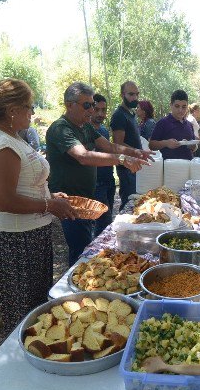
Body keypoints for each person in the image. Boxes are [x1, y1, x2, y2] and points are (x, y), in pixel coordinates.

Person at [0, 78, 77, 331]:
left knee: (37, 310)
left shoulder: (11, 138)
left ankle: (36, 354)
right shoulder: (0, 144)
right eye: (29, 107)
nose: (32, 112)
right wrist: (49, 205)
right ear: (12, 111)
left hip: (30, 234)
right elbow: (3, 199)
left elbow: (24, 185)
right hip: (15, 240)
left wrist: (49, 195)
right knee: (23, 315)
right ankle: (20, 361)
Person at [47, 82, 151, 267]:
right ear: (69, 105)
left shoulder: (84, 127)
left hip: (87, 197)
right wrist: (122, 160)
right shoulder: (61, 128)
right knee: (80, 250)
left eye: (92, 105)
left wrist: (135, 152)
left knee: (88, 244)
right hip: (69, 201)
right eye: (86, 105)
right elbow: (83, 157)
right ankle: (75, 289)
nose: (91, 110)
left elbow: (109, 146)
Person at [111, 81, 144, 209]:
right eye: (131, 94)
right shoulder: (119, 115)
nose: (134, 98)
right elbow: (118, 144)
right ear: (122, 95)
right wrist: (137, 151)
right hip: (126, 167)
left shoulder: (131, 114)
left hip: (135, 164)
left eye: (136, 94)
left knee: (136, 202)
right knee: (128, 204)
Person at [90, 93, 115, 238]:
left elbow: (112, 150)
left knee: (107, 219)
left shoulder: (104, 130)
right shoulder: (85, 130)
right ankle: (98, 256)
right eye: (97, 109)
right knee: (103, 222)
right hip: (96, 184)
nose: (100, 114)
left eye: (103, 110)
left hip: (109, 180)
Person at [149, 90, 197, 160]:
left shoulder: (189, 125)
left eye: (184, 107)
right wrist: (166, 143)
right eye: (177, 106)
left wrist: (191, 145)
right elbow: (151, 145)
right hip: (169, 168)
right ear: (171, 105)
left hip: (188, 167)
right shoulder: (162, 123)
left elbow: (194, 147)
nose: (180, 110)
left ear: (187, 107)